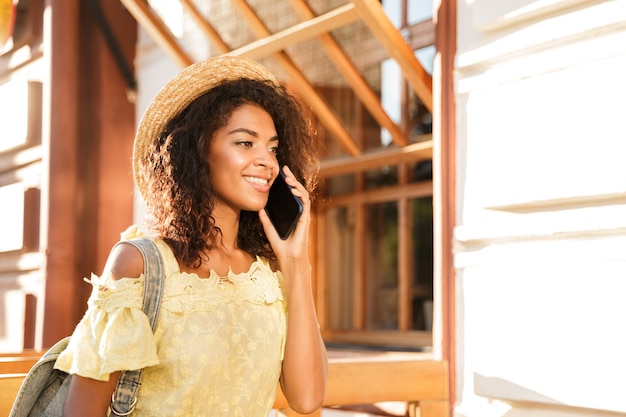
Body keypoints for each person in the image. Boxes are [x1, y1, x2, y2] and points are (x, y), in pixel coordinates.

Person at [54, 55, 328, 417]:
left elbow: (307, 399)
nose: (267, 162)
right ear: (198, 151)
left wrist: (296, 263)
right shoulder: (140, 264)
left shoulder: (269, 277)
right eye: (245, 143)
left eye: (273, 148)